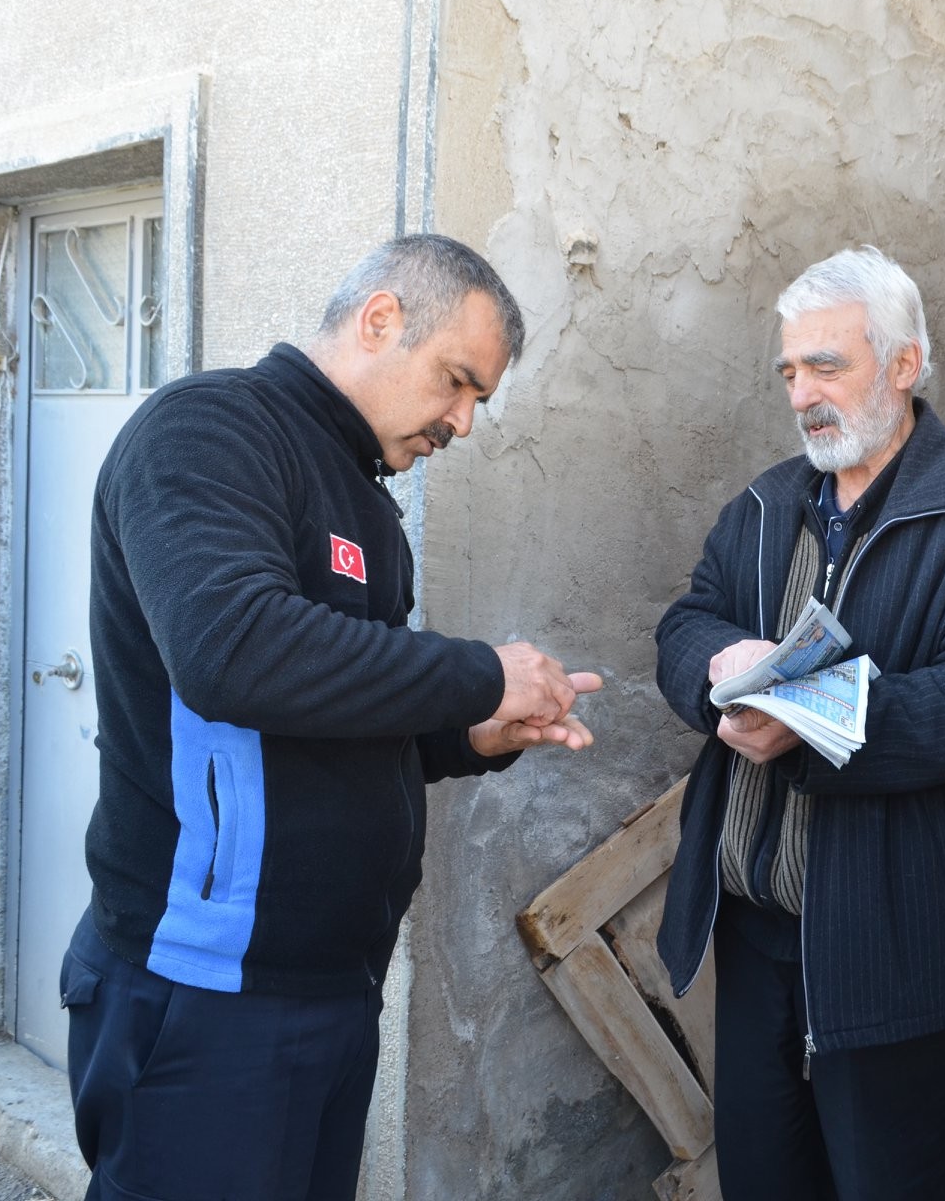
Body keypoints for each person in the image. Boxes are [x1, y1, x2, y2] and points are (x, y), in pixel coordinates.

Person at [62, 234, 600, 1201]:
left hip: (329, 990)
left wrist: (465, 736)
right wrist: (479, 676)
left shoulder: (366, 498)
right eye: (456, 382)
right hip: (206, 994)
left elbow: (325, 715)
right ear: (380, 319)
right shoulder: (209, 431)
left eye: (480, 398)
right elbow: (233, 652)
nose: (464, 423)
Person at [654, 246, 945, 1201]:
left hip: (892, 945)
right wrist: (718, 665)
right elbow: (685, 621)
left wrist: (810, 717)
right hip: (753, 936)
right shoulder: (764, 503)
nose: (803, 394)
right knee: (761, 1181)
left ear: (905, 365)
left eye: (827, 366)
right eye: (790, 371)